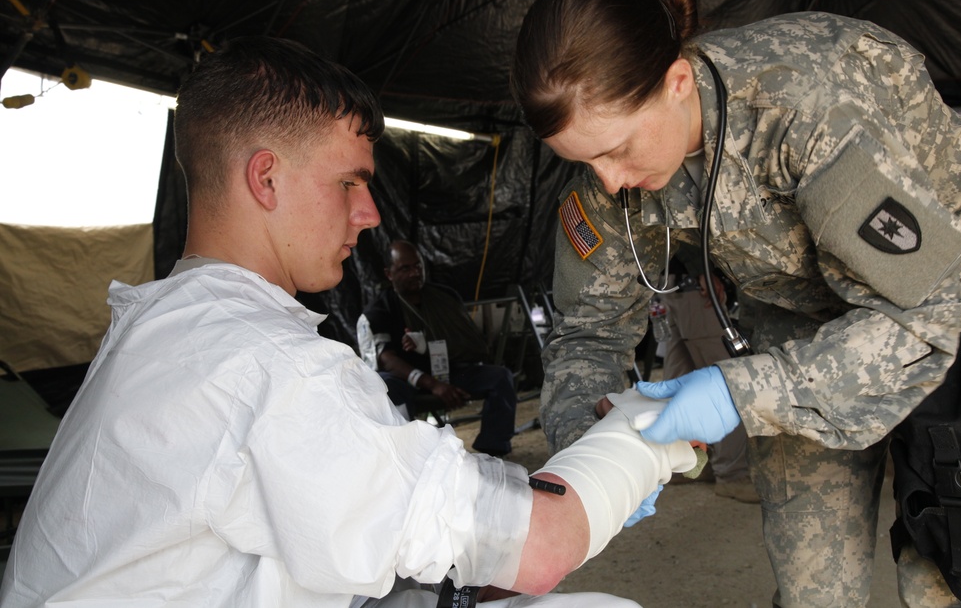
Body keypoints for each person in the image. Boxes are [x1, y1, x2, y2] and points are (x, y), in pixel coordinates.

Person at [0, 34, 706, 608]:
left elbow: (383, 547)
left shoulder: (168, 326)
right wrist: (639, 439)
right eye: (348, 182)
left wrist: (492, 528)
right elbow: (545, 548)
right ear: (266, 178)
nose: (368, 214)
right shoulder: (261, 365)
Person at [510, 0, 961, 608]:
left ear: (677, 83)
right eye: (585, 161)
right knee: (815, 590)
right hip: (801, 321)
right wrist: (592, 456)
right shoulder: (608, 182)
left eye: (619, 149)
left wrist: (738, 392)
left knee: (944, 577)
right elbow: (587, 332)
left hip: (959, 306)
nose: (606, 183)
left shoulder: (808, 102)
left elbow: (921, 308)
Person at [357, 240, 517, 457]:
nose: (415, 273)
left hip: (448, 372)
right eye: (406, 268)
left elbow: (471, 343)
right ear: (389, 273)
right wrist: (432, 384)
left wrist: (430, 348)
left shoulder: (444, 299)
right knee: (386, 387)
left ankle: (493, 449)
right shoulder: (379, 311)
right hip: (409, 382)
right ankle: (407, 455)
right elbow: (385, 359)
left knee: (500, 377)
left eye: (418, 266)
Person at [656, 254, 757, 504]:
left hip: (673, 279)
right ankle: (732, 475)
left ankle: (684, 465)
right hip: (692, 282)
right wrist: (701, 269)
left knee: (681, 376)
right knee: (726, 382)